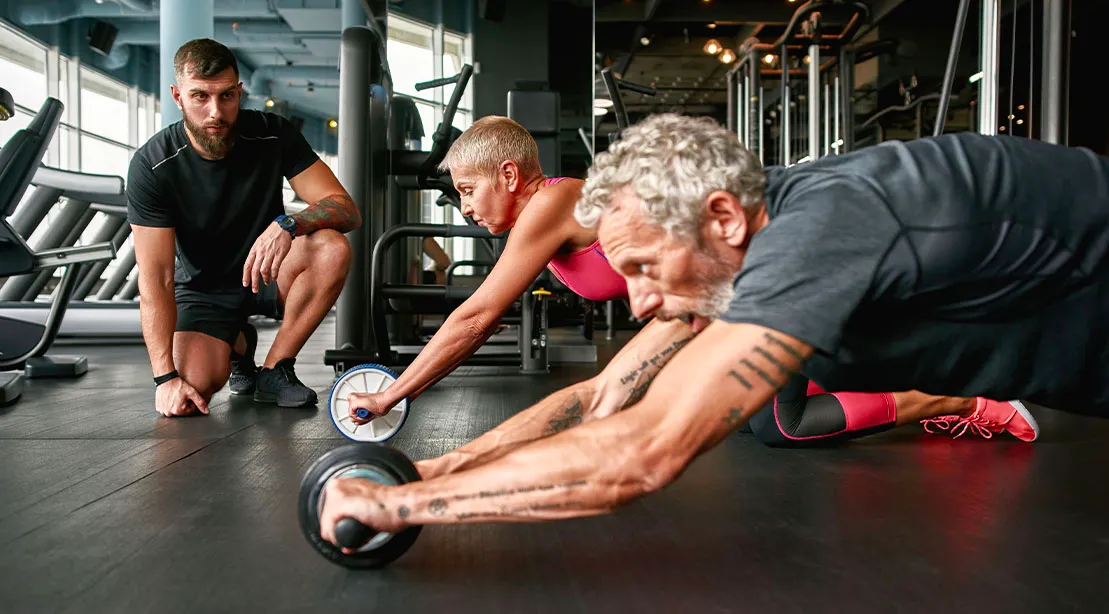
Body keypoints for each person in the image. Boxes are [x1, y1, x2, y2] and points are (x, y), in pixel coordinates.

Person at [317, 111, 1108, 542]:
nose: (634, 304)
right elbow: (604, 399)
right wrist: (433, 468)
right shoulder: (735, 253)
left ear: (720, 216)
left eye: (642, 270)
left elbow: (639, 454)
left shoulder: (820, 233)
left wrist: (396, 509)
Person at [348, 115, 1034, 447]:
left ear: (508, 174)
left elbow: (476, 315)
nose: (465, 206)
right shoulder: (553, 215)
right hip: (735, 294)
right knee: (772, 403)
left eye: (467, 189)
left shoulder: (551, 204)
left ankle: (956, 399)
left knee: (780, 426)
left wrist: (392, 390)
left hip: (766, 268)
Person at [126, 39, 360, 418]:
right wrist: (164, 379)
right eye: (200, 96)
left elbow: (346, 209)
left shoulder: (272, 134)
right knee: (193, 382)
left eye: (226, 96)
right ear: (177, 96)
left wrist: (289, 223)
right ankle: (238, 344)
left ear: (239, 91)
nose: (216, 112)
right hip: (202, 288)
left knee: (331, 247)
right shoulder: (153, 165)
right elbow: (156, 278)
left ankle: (276, 368)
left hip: (267, 270)